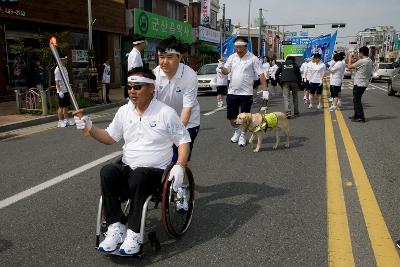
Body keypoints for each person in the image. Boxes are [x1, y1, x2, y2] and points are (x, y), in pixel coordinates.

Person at [74, 67, 191, 255]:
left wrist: (180, 166)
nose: (132, 91)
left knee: (139, 175)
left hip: (155, 172)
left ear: (152, 88)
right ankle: (116, 227)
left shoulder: (165, 113)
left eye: (138, 87)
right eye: (129, 87)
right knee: (108, 171)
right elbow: (109, 137)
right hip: (129, 168)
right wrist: (90, 126)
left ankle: (134, 234)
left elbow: (183, 140)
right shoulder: (123, 111)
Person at [153, 36, 200, 162]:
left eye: (169, 57)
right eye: (161, 57)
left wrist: (175, 133)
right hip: (164, 121)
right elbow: (150, 104)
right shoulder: (154, 75)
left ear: (179, 57)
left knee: (180, 158)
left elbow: (187, 108)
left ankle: (183, 180)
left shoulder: (190, 76)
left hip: (188, 123)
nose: (164, 61)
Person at [220, 36, 268, 147]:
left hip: (246, 93)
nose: (238, 50)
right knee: (232, 119)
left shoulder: (253, 58)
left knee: (246, 119)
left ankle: (242, 135)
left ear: (246, 47)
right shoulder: (232, 57)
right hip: (232, 92)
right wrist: (222, 68)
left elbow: (261, 75)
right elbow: (226, 72)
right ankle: (237, 130)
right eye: (236, 47)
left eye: (240, 47)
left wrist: (265, 91)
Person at [347, 46, 373, 122]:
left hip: (359, 84)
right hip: (364, 83)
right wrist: (353, 60)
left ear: (361, 53)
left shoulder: (362, 61)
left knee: (357, 100)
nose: (358, 54)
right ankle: (356, 115)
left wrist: (349, 58)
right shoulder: (369, 60)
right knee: (356, 100)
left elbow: (349, 67)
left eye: (359, 53)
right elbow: (358, 65)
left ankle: (361, 117)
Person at [54, 56, 75, 128]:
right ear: (62, 60)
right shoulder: (57, 69)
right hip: (61, 91)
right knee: (61, 107)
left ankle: (66, 120)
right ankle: (60, 121)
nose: (67, 60)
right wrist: (59, 91)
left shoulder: (64, 67)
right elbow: (57, 82)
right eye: (65, 59)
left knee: (66, 106)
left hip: (66, 90)